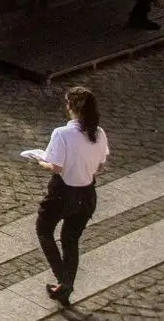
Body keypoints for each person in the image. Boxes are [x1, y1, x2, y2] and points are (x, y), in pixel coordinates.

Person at [29, 86, 110, 305]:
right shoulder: (99, 133)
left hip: (62, 194)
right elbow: (101, 166)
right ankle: (65, 285)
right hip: (87, 195)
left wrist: (39, 159)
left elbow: (55, 166)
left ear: (71, 107)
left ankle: (64, 281)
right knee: (70, 240)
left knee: (44, 230)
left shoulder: (62, 134)